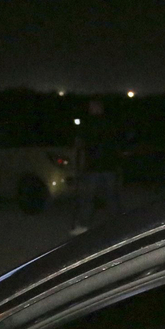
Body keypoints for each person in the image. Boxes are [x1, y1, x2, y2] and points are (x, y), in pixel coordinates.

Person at [69, 100, 123, 236]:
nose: (90, 109)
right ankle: (118, 224)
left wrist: (79, 163)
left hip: (94, 167)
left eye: (92, 107)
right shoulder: (110, 123)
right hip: (108, 166)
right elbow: (117, 144)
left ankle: (84, 225)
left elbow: (79, 144)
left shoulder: (88, 123)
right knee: (111, 196)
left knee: (88, 197)